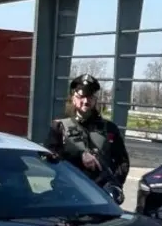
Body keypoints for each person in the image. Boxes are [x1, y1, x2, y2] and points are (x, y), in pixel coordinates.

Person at [44, 73, 130, 203]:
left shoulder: (110, 128)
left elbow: (122, 161)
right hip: (68, 191)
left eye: (90, 97)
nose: (85, 101)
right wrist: (79, 155)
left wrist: (116, 184)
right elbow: (49, 156)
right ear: (73, 98)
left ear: (95, 100)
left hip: (100, 194)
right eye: (81, 96)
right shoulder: (60, 127)